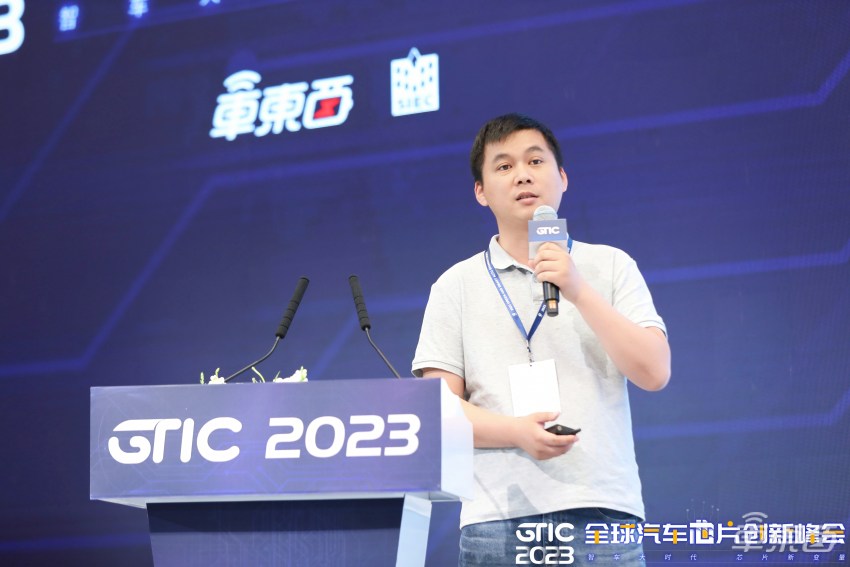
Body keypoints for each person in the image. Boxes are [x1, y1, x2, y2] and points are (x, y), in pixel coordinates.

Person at [412, 113, 671, 566]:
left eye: (535, 161)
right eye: (504, 166)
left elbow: (654, 372)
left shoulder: (610, 266)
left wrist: (578, 289)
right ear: (481, 191)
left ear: (562, 178)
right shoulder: (454, 286)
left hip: (601, 509)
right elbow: (439, 412)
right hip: (496, 519)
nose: (523, 175)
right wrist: (515, 432)